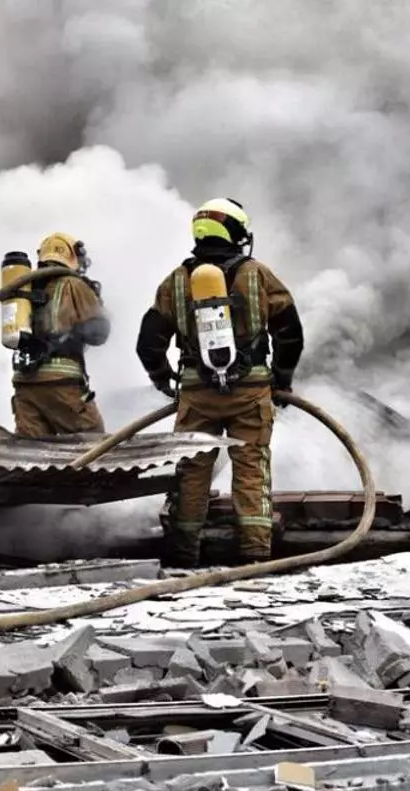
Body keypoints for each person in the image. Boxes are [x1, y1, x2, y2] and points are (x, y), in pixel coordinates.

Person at [136, 198, 304, 566]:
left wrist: (163, 379)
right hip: (250, 391)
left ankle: (183, 555)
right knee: (251, 468)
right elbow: (290, 332)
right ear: (236, 232)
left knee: (192, 469)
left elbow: (148, 342)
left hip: (196, 393)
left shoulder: (176, 282)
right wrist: (282, 379)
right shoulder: (257, 275)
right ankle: (254, 556)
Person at [10, 232, 110, 437]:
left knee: (31, 451)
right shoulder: (74, 284)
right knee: (93, 444)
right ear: (71, 255)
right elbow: (99, 333)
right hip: (61, 384)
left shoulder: (25, 288)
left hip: (25, 385)